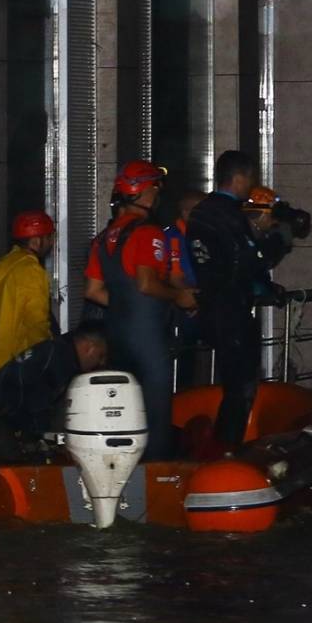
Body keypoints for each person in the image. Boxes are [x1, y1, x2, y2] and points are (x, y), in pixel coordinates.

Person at [83, 161, 197, 461]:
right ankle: (155, 474)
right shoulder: (148, 233)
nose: (157, 196)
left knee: (124, 410)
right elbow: (146, 283)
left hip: (117, 334)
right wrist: (179, 296)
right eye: (154, 189)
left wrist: (125, 305)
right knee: (156, 413)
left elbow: (93, 291)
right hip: (147, 336)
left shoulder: (104, 237)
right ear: (144, 193)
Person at [186, 151, 270, 453]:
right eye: (250, 178)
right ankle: (226, 452)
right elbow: (246, 260)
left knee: (232, 384)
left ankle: (222, 450)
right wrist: (272, 241)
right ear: (239, 178)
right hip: (231, 309)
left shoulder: (201, 212)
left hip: (211, 306)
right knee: (240, 388)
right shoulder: (230, 214)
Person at [0, 322, 108, 460]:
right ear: (89, 347)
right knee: (8, 465)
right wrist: (41, 437)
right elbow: (38, 403)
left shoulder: (57, 351)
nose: (100, 362)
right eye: (100, 355)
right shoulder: (60, 359)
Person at [0, 210, 57, 379]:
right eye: (49, 237)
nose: (52, 243)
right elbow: (36, 323)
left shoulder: (3, 265)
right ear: (37, 241)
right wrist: (47, 359)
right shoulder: (31, 271)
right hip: (20, 367)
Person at [166, 190, 206, 390]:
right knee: (185, 359)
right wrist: (195, 298)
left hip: (201, 304)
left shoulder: (204, 236)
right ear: (185, 212)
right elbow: (174, 277)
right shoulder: (172, 237)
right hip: (180, 309)